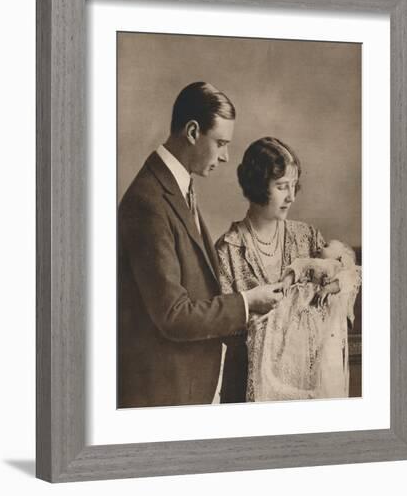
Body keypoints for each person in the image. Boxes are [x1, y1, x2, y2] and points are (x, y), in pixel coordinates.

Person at [118, 83, 282, 408]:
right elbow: (174, 315)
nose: (225, 156)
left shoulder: (177, 188)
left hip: (186, 387)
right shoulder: (148, 200)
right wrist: (246, 303)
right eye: (220, 143)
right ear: (193, 131)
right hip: (162, 396)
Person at [216, 136, 361, 402]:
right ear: (259, 185)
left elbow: (345, 279)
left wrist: (336, 287)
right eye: (282, 187)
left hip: (309, 384)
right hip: (248, 388)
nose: (292, 197)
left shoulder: (308, 237)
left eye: (294, 186)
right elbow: (223, 325)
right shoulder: (229, 250)